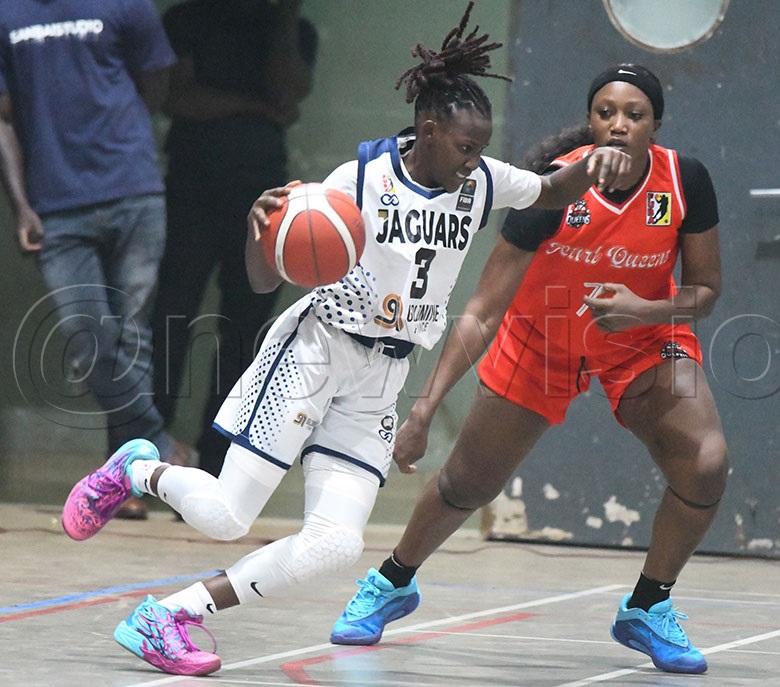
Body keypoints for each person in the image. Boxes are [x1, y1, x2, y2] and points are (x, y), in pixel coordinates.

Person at [59, 3, 633, 677]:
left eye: (481, 148)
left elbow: (545, 189)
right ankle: (137, 468)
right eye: (465, 146)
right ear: (427, 130)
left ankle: (170, 614)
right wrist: (259, 228)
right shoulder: (356, 183)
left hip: (381, 377)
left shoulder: (477, 181)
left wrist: (597, 162)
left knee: (335, 545)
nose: (476, 162)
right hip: (315, 350)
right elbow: (260, 276)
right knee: (224, 515)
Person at [330, 64, 728, 676]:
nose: (619, 124)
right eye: (606, 112)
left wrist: (644, 308)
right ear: (591, 121)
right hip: (542, 338)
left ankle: (648, 607)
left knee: (705, 463)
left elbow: (704, 290)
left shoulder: (684, 180)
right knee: (466, 484)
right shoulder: (550, 189)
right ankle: (391, 583)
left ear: (656, 124)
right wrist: (424, 409)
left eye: (635, 114)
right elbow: (483, 311)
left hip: (645, 338)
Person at [0, 0, 183, 520]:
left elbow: (157, 85)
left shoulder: (125, 4)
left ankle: (124, 480)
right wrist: (21, 206)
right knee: (89, 343)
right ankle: (162, 451)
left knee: (132, 338)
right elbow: (2, 118)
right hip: (55, 206)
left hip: (134, 188)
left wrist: (117, 135)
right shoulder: (5, 13)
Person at [152, 0, 318, 477]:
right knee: (169, 319)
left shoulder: (293, 29)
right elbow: (177, 101)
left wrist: (286, 20)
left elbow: (287, 101)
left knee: (246, 331)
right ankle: (147, 450)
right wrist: (252, 106)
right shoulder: (186, 19)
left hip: (262, 196)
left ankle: (214, 461)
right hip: (190, 190)